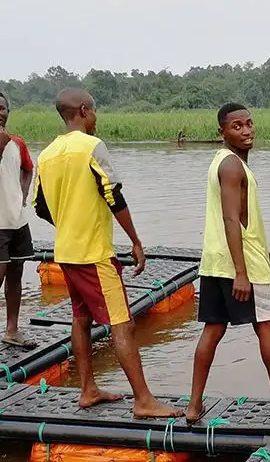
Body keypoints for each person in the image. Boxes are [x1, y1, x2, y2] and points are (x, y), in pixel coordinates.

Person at [33, 88, 182, 419]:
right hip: (93, 253)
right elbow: (113, 195)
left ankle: (88, 389)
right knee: (122, 322)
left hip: (66, 251)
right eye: (94, 112)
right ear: (84, 111)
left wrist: (68, 220)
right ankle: (143, 400)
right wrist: (136, 240)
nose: (96, 118)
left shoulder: (47, 154)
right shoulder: (90, 146)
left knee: (81, 317)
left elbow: (40, 207)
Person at [186, 104, 270, 423]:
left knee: (212, 330)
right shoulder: (232, 167)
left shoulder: (223, 163)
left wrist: (262, 248)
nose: (246, 130)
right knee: (268, 329)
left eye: (250, 123)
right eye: (237, 126)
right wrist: (242, 271)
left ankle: (194, 406)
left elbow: (240, 217)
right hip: (241, 267)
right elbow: (230, 218)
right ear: (222, 132)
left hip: (215, 261)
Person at [0, 89, 36, 361]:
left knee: (16, 271)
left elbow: (28, 168)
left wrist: (24, 193)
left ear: (8, 111)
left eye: (0, 109)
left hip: (17, 219)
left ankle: (12, 330)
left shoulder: (18, 142)